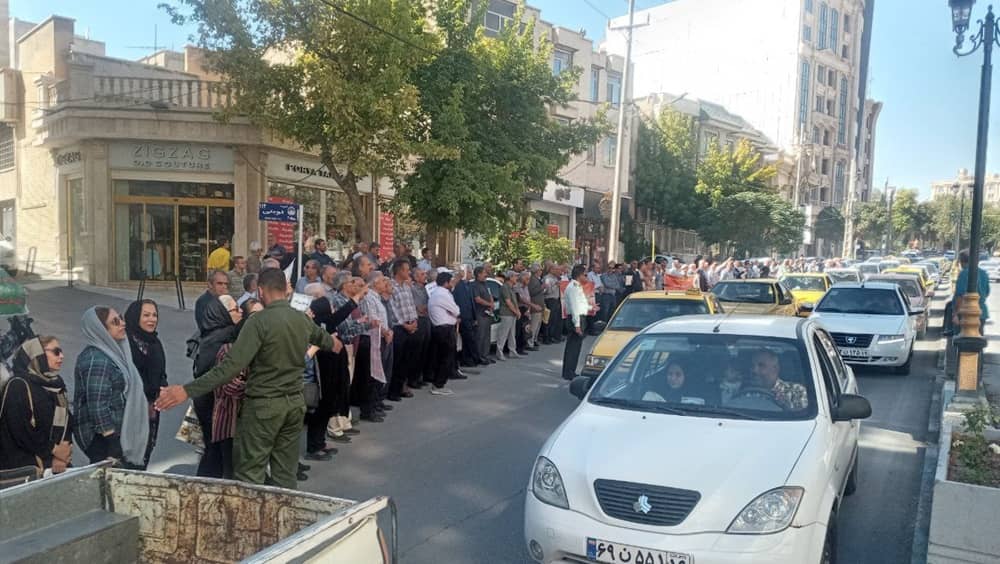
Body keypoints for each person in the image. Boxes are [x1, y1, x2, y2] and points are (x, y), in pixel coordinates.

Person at [156, 268, 359, 489]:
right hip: (293, 406)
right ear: (284, 289)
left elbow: (230, 367)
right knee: (285, 474)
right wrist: (334, 344)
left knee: (250, 475)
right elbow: (331, 343)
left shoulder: (258, 322)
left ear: (261, 291)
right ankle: (282, 520)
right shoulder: (300, 319)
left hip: (264, 408)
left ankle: (253, 522)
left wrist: (186, 390)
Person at [74, 306, 149, 469]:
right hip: (103, 440)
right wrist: (112, 441)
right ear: (101, 329)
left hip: (115, 434)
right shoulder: (97, 360)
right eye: (115, 322)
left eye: (121, 318)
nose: (122, 324)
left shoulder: (114, 353)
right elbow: (97, 406)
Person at [0, 337, 73, 478]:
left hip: (55, 464)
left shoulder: (55, 385)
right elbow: (19, 430)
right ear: (36, 355)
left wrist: (62, 454)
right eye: (56, 352)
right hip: (25, 468)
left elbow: (67, 421)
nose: (61, 356)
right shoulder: (18, 385)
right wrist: (53, 450)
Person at [191, 294, 241, 478]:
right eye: (235, 309)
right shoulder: (223, 338)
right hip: (214, 403)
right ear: (222, 314)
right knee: (218, 452)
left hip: (210, 401)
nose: (240, 312)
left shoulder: (212, 333)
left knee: (214, 451)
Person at [211, 299, 262, 479]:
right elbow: (229, 385)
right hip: (231, 421)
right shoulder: (229, 350)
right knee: (231, 473)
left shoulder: (262, 349)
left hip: (253, 422)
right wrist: (258, 386)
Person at [123, 300, 168, 470]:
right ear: (135, 317)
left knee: (145, 454)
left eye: (154, 315)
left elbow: (161, 373)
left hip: (151, 410)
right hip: (131, 411)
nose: (152, 319)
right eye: (146, 315)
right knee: (129, 459)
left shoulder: (155, 343)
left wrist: (163, 388)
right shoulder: (125, 343)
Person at [387, 260, 420, 402]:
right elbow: (392, 309)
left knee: (408, 359)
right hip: (399, 328)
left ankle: (403, 386)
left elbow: (411, 305)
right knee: (398, 361)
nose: (409, 272)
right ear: (399, 271)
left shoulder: (407, 286)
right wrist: (404, 325)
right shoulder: (391, 286)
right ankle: (393, 391)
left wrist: (414, 321)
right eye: (407, 270)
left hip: (411, 326)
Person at [428, 271, 460, 395]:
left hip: (443, 328)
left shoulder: (441, 293)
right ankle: (438, 385)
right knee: (446, 358)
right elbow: (456, 310)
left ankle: (438, 382)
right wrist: (453, 314)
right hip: (444, 329)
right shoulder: (442, 294)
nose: (453, 283)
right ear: (446, 282)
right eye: (451, 281)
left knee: (442, 357)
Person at [562, 265, 591, 381]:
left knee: (575, 347)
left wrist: (590, 307)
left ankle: (569, 371)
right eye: (585, 274)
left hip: (578, 317)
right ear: (579, 275)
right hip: (576, 319)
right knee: (573, 348)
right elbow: (574, 307)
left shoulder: (577, 286)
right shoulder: (573, 287)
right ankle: (569, 372)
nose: (587, 277)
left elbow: (580, 304)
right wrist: (577, 325)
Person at [953, 250, 991, 334]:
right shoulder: (984, 273)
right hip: (981, 312)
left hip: (965, 313)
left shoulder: (964, 274)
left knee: (962, 339)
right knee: (978, 339)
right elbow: (987, 292)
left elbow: (960, 296)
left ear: (962, 262)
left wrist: (955, 314)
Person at [496, 272, 520, 361]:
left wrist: (517, 311)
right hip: (506, 313)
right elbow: (508, 302)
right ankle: (499, 352)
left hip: (512, 313)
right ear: (510, 277)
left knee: (511, 334)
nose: (517, 278)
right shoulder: (505, 287)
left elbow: (514, 301)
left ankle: (512, 351)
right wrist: (516, 312)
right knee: (503, 334)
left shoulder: (512, 288)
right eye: (515, 276)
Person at [473, 266, 495, 362]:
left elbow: (490, 294)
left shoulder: (485, 284)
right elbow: (478, 299)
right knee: (480, 336)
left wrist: (491, 304)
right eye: (484, 273)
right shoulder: (475, 285)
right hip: (480, 314)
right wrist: (489, 304)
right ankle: (479, 357)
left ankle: (485, 355)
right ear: (478, 274)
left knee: (487, 336)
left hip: (488, 313)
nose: (486, 275)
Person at [543, 265, 563, 344]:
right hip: (550, 300)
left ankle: (552, 336)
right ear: (551, 269)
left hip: (557, 299)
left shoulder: (555, 278)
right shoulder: (547, 278)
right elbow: (547, 291)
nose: (558, 271)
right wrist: (556, 285)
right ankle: (546, 337)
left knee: (555, 319)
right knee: (549, 319)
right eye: (556, 269)